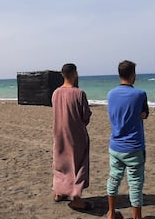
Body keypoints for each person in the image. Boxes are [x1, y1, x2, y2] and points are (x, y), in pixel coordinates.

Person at [106, 60, 149, 219]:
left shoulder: (110, 94)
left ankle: (111, 213)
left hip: (115, 146)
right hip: (134, 146)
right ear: (133, 75)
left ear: (119, 74)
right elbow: (143, 115)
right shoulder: (140, 94)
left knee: (114, 179)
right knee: (136, 184)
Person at [51, 63, 93, 210]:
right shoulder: (79, 93)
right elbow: (86, 116)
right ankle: (76, 197)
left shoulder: (55, 93)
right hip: (76, 135)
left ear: (62, 75)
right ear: (75, 73)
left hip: (59, 133)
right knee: (79, 165)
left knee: (60, 163)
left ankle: (59, 192)